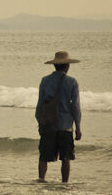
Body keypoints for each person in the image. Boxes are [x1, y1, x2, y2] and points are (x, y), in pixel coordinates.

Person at [35, 51, 82, 183]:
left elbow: (40, 106)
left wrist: (40, 123)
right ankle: (64, 184)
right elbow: (75, 107)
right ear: (67, 66)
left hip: (49, 125)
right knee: (66, 158)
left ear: (54, 65)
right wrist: (78, 127)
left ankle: (41, 181)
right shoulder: (72, 82)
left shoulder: (45, 81)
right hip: (65, 126)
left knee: (43, 157)